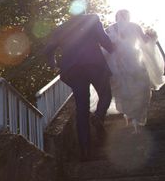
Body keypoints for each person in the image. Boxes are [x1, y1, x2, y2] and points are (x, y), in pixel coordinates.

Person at [44, 12, 115, 161]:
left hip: (72, 70)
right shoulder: (92, 19)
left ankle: (85, 151)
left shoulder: (61, 28)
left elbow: (48, 50)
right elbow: (104, 40)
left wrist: (54, 65)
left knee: (82, 109)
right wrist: (115, 50)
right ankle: (98, 117)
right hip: (94, 64)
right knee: (106, 94)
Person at [103, 9, 165, 133]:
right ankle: (136, 119)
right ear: (128, 16)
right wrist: (152, 37)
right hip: (134, 60)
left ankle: (130, 118)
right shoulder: (135, 26)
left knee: (123, 91)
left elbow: (104, 47)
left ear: (116, 17)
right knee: (140, 88)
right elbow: (145, 41)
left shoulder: (109, 29)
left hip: (117, 65)